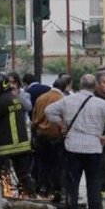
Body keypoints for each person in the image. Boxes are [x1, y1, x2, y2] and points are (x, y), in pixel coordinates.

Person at [45, 74, 105, 209]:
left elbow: (49, 111)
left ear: (80, 85)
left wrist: (61, 124)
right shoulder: (101, 103)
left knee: (72, 184)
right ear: (95, 87)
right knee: (93, 182)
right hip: (94, 149)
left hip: (72, 148)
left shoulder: (68, 100)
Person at [0, 73, 36, 196]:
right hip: (22, 146)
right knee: (24, 174)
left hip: (3, 147)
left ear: (1, 86)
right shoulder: (15, 98)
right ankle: (31, 196)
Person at [31, 74, 70, 202]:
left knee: (42, 164)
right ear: (64, 88)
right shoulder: (63, 99)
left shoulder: (41, 98)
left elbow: (34, 118)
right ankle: (56, 191)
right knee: (57, 165)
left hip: (41, 136)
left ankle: (42, 189)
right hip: (56, 137)